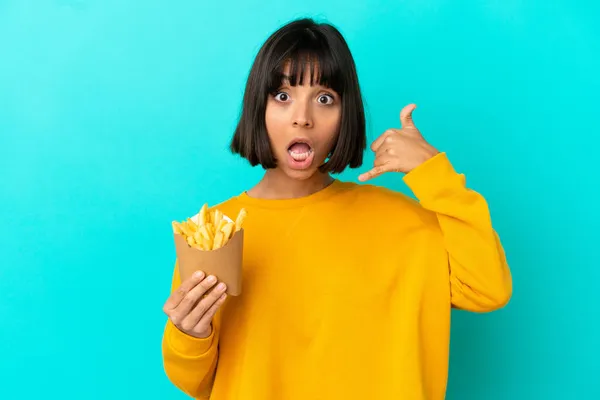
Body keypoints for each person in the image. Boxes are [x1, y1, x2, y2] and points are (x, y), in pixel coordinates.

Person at [161, 17, 512, 400]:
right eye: (282, 96)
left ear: (346, 115)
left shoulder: (403, 221)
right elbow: (196, 382)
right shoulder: (216, 233)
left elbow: (488, 288)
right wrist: (190, 335)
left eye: (324, 98)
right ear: (257, 108)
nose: (302, 117)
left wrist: (434, 174)